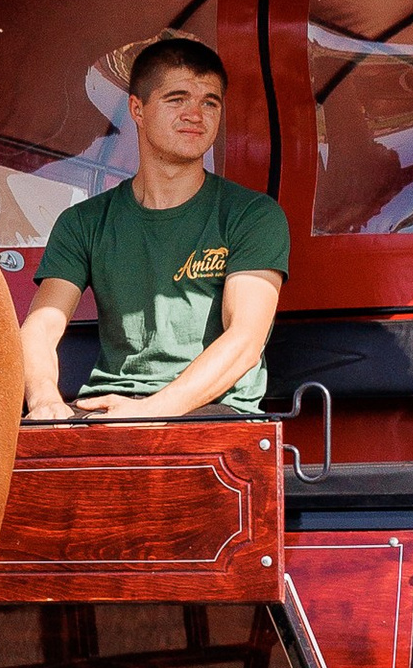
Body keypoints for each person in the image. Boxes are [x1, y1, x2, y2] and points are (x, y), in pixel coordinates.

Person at [20, 34, 289, 425]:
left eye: (209, 102)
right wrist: (44, 400)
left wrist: (150, 412)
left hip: (213, 415)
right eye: (177, 99)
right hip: (110, 406)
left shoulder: (252, 215)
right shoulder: (84, 222)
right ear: (138, 108)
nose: (195, 115)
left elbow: (245, 341)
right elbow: (42, 324)